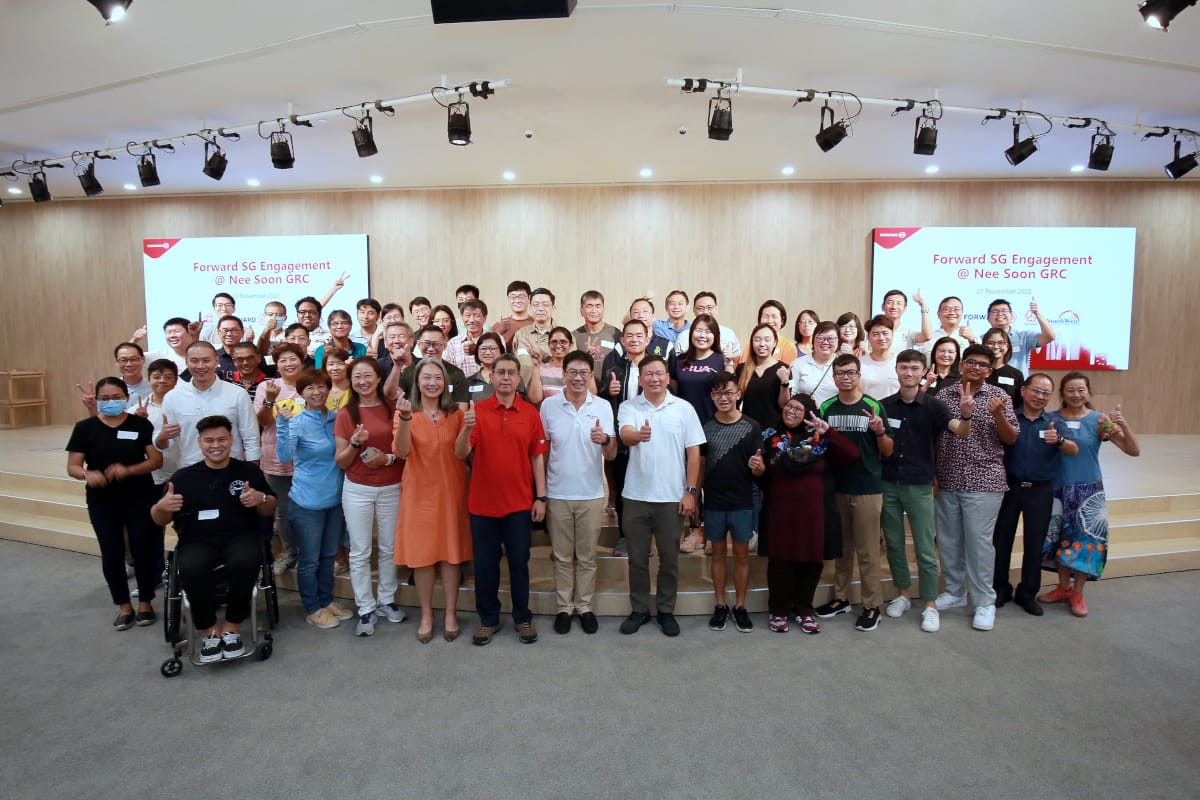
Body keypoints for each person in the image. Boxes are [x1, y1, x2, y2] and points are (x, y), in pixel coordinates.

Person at [151, 415, 275, 662]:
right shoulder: (183, 477)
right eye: (209, 440)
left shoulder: (248, 471)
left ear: (231, 440)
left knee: (245, 562)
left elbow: (270, 507)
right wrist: (162, 506)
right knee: (192, 567)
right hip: (198, 539)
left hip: (240, 536)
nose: (216, 445)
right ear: (199, 442)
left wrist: (260, 499)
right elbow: (158, 519)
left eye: (222, 439)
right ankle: (209, 631)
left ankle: (231, 627)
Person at [879, 349, 972, 632]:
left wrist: (966, 415)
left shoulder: (934, 406)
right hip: (888, 483)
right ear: (896, 370)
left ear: (923, 372)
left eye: (914, 368)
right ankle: (904, 594)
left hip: (919, 483)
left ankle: (930, 603)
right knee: (894, 543)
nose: (908, 373)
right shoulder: (884, 405)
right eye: (904, 367)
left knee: (924, 547)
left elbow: (961, 430)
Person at [751, 393, 858, 634]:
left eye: (798, 409)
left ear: (809, 413)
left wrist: (828, 432)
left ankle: (804, 610)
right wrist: (758, 471)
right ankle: (778, 611)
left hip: (815, 513)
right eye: (789, 406)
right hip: (780, 511)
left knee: (811, 562)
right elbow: (762, 473)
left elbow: (852, 456)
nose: (791, 411)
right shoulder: (769, 436)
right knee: (780, 562)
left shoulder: (821, 439)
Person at [462, 354, 550, 646]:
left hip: (519, 504)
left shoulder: (529, 413)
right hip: (482, 504)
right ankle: (488, 619)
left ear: (518, 378)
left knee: (519, 563)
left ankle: (523, 617)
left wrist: (541, 497)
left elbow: (537, 457)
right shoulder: (478, 411)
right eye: (500, 372)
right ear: (492, 377)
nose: (506, 377)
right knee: (485, 565)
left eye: (511, 373)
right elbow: (460, 453)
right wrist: (465, 427)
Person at [616, 354, 705, 637]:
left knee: (670, 559)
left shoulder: (684, 408)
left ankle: (666, 610)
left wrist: (691, 492)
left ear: (668, 377)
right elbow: (625, 434)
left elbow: (694, 453)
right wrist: (638, 436)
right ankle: (640, 609)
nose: (654, 379)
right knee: (638, 559)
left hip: (671, 497)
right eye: (648, 374)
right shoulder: (630, 406)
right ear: (640, 378)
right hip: (636, 496)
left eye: (659, 373)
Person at [1039, 372, 1140, 617]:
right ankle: (1063, 588)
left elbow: (1133, 450)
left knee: (1085, 543)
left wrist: (1123, 425)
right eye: (1071, 390)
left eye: (1081, 390)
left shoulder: (1099, 421)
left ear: (1088, 393)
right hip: (1056, 491)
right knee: (1061, 541)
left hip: (1088, 492)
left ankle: (1078, 592)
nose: (1076, 395)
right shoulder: (1050, 419)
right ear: (1062, 393)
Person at [933, 344, 1019, 631]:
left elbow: (1011, 439)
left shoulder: (999, 397)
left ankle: (984, 602)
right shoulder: (943, 395)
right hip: (947, 478)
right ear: (961, 365)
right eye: (971, 362)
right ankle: (955, 591)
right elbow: (933, 438)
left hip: (984, 481)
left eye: (983, 364)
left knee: (979, 545)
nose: (976, 368)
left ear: (990, 370)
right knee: (948, 540)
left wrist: (998, 415)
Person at [66, 378, 164, 630]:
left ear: (126, 397)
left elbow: (155, 461)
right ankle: (123, 605)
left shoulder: (140, 424)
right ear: (97, 400)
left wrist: (129, 470)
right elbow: (73, 466)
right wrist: (87, 474)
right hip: (102, 499)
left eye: (117, 397)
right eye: (106, 398)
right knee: (111, 552)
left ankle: (145, 602)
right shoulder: (85, 427)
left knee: (143, 548)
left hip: (139, 495)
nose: (112, 402)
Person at [393, 358, 472, 643]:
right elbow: (401, 452)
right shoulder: (405, 412)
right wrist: (403, 421)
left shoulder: (456, 414)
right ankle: (427, 614)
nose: (432, 383)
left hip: (452, 492)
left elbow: (462, 454)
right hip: (419, 495)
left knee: (452, 556)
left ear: (445, 383)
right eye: (426, 377)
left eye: (437, 378)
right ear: (417, 382)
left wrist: (467, 429)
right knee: (423, 558)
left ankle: (450, 612)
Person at [539, 350, 617, 635]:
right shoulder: (549, 406)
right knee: (561, 556)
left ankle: (584, 607)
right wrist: (542, 493)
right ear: (563, 374)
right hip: (558, 493)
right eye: (572, 371)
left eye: (584, 372)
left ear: (590, 376)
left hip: (590, 493)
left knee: (586, 557)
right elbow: (543, 452)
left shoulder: (603, 407)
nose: (578, 377)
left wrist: (605, 439)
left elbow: (611, 454)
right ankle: (564, 607)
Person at [814, 354, 893, 632]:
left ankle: (872, 606)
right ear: (833, 377)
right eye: (839, 373)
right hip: (836, 489)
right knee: (842, 550)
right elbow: (820, 447)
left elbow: (887, 451)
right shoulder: (827, 407)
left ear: (859, 375)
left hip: (867, 488)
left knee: (868, 551)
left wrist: (880, 432)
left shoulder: (873, 406)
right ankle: (841, 598)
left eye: (850, 372)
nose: (845, 377)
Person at [992, 373, 1079, 618]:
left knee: (1034, 543)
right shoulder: (1010, 418)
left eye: (1045, 393)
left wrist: (1059, 440)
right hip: (1009, 487)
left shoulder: (1054, 422)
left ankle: (1027, 593)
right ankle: (1000, 588)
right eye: (1036, 390)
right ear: (1023, 390)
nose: (1040, 396)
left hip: (1040, 490)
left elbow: (1073, 449)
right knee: (1002, 540)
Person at [276, 368, 352, 630]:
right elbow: (284, 456)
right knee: (310, 559)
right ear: (301, 393)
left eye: (321, 386)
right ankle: (312, 607)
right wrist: (282, 425)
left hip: (335, 500)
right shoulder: (295, 421)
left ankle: (326, 600)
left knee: (329, 555)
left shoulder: (337, 419)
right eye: (310, 388)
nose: (317, 392)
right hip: (307, 502)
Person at [334, 357, 405, 637]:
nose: (362, 381)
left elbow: (404, 451)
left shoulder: (392, 408)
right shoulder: (345, 414)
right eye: (357, 377)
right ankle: (365, 606)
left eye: (368, 376)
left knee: (389, 548)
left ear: (378, 378)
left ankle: (387, 599)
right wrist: (355, 442)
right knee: (360, 550)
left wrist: (386, 459)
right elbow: (341, 461)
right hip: (357, 488)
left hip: (392, 486)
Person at [699, 372, 762, 632]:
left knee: (741, 556)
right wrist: (694, 496)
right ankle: (721, 605)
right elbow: (700, 467)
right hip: (713, 502)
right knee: (716, 555)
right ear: (712, 396)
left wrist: (758, 467)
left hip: (743, 502)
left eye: (729, 392)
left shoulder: (751, 426)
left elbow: (760, 470)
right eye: (718, 393)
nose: (723, 398)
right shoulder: (705, 427)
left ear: (738, 394)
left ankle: (740, 605)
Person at [156, 342, 261, 469]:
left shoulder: (237, 394)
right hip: (190, 469)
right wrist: (162, 437)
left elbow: (250, 435)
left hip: (231, 469)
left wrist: (252, 468)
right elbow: (162, 443)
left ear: (216, 360)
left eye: (206, 360)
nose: (200, 366)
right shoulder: (173, 397)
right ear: (186, 362)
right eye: (194, 361)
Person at [670, 313, 725, 553]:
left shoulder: (720, 360)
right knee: (689, 481)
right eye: (698, 331)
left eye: (708, 331)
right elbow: (671, 393)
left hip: (712, 427)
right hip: (683, 429)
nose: (703, 335)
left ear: (715, 336)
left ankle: (709, 532)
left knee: (709, 481)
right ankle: (693, 530)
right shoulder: (679, 360)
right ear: (691, 334)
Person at [255, 343, 305, 575]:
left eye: (292, 358)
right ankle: (290, 551)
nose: (288, 364)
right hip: (275, 457)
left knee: (308, 510)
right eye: (282, 360)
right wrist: (269, 399)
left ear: (302, 359)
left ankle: (308, 552)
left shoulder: (312, 384)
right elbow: (264, 421)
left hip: (307, 459)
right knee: (283, 511)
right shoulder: (267, 386)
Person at [397, 326, 470, 409]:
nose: (431, 349)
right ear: (419, 344)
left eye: (436, 344)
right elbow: (394, 395)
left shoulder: (456, 374)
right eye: (427, 344)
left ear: (445, 346)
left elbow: (462, 410)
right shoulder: (409, 372)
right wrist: (397, 366)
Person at [735, 323, 788, 429]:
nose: (762, 344)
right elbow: (735, 403)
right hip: (746, 428)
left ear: (775, 343)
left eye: (767, 340)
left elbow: (784, 405)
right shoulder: (742, 369)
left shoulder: (783, 369)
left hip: (774, 430)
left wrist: (784, 382)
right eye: (757, 340)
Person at [985, 297, 1055, 376]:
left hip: (1018, 385)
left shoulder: (1024, 337)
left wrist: (1036, 313)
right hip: (991, 385)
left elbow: (1050, 336)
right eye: (995, 312)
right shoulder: (982, 339)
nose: (1000, 314)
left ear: (1012, 316)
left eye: (1004, 311)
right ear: (988, 318)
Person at [786, 320, 839, 406]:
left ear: (838, 341)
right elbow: (791, 395)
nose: (825, 342)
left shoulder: (843, 365)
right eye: (820, 338)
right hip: (807, 416)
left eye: (831, 338)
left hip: (834, 416)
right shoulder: (798, 364)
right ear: (813, 340)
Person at [688, 291, 743, 368]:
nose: (705, 312)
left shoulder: (729, 334)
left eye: (709, 308)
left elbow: (737, 360)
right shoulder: (684, 335)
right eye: (700, 308)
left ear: (716, 309)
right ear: (694, 310)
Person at [526, 326, 575, 404]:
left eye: (563, 342)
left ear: (571, 345)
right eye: (554, 342)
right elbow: (535, 399)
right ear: (548, 344)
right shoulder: (541, 370)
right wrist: (536, 366)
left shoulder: (576, 371)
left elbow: (591, 394)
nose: (558, 346)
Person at [513, 287, 556, 375]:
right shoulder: (521, 334)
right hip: (525, 388)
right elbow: (513, 364)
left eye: (545, 305)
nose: (540, 309)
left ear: (553, 308)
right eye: (536, 305)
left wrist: (542, 354)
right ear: (530, 308)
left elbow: (570, 365)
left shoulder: (564, 336)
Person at [443, 298, 488, 378]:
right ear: (462, 318)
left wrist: (478, 350)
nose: (471, 320)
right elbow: (447, 372)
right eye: (467, 315)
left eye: (476, 316)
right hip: (461, 388)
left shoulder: (496, 340)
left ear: (485, 318)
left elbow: (500, 364)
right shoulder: (453, 343)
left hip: (488, 388)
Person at [573, 290, 622, 362]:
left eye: (598, 306)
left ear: (603, 309)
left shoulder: (616, 334)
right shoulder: (574, 336)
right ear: (581, 311)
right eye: (589, 306)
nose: (594, 310)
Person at [858, 315, 898, 401]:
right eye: (876, 334)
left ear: (892, 335)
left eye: (885, 333)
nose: (881, 338)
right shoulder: (859, 363)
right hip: (867, 412)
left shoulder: (900, 363)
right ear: (868, 338)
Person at [981, 327, 1023, 406]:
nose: (996, 346)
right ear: (984, 345)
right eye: (991, 343)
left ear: (1008, 346)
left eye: (1001, 343)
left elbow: (1019, 404)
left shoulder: (1016, 374)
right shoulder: (977, 370)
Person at [464, 331, 508, 402]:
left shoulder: (512, 377)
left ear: (501, 351)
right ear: (477, 352)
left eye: (493, 348)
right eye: (483, 348)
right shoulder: (469, 382)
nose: (488, 352)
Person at [490, 281, 533, 349]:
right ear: (508, 299)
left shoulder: (536, 324)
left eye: (521, 297)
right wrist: (498, 333)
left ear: (529, 298)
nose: (517, 300)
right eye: (513, 297)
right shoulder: (499, 325)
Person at [113, 342, 153, 407]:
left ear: (143, 360)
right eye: (123, 360)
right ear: (116, 362)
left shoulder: (153, 387)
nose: (129, 364)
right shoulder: (111, 388)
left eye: (133, 359)